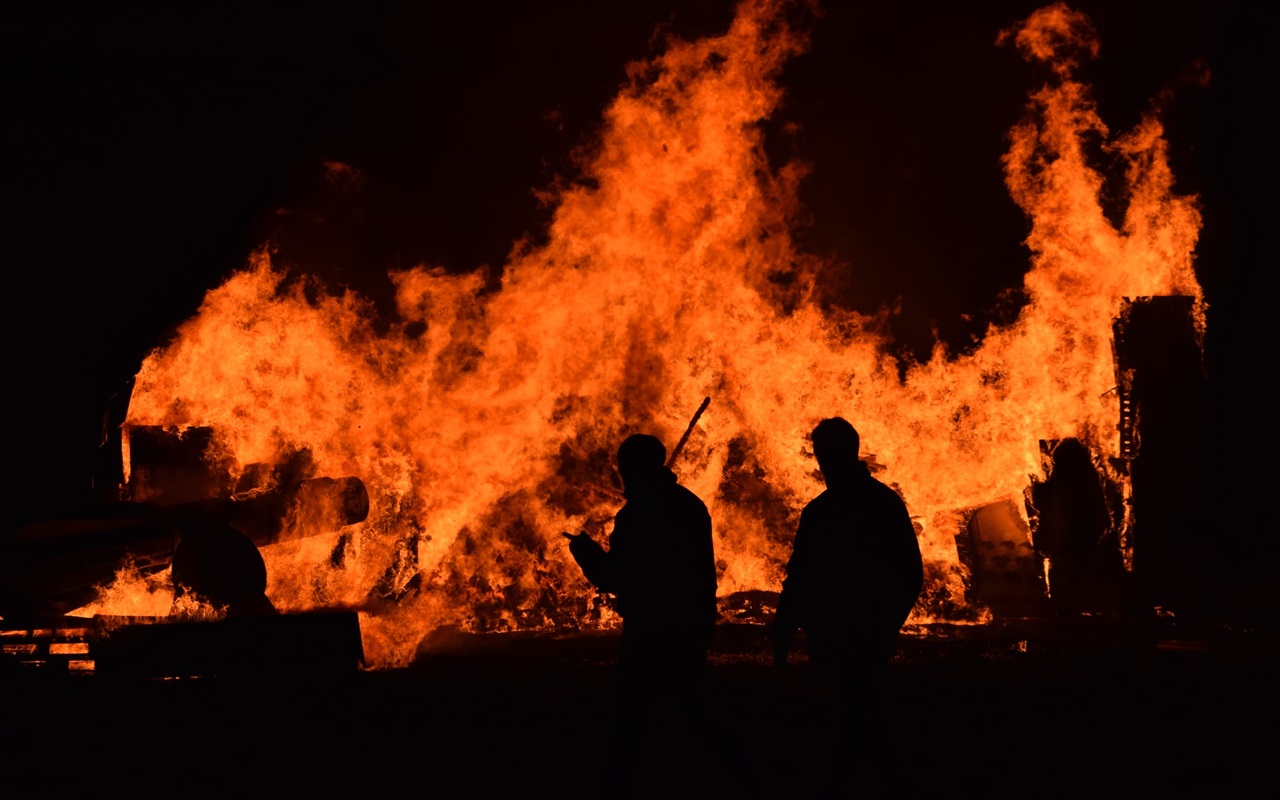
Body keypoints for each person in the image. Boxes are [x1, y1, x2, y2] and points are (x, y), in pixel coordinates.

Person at [773, 417, 923, 785]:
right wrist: (889, 624)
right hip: (859, 629)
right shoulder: (884, 504)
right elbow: (910, 573)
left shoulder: (823, 512)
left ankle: (871, 779)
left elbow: (801, 579)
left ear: (822, 456)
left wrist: (784, 632)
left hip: (844, 630)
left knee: (854, 708)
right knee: (857, 707)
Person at [564, 433, 717, 783]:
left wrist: (584, 550)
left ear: (633, 468)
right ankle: (740, 774)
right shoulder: (689, 505)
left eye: (624, 465)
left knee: (631, 718)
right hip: (691, 623)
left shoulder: (639, 515)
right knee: (694, 709)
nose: (621, 473)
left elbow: (614, 575)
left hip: (651, 629)